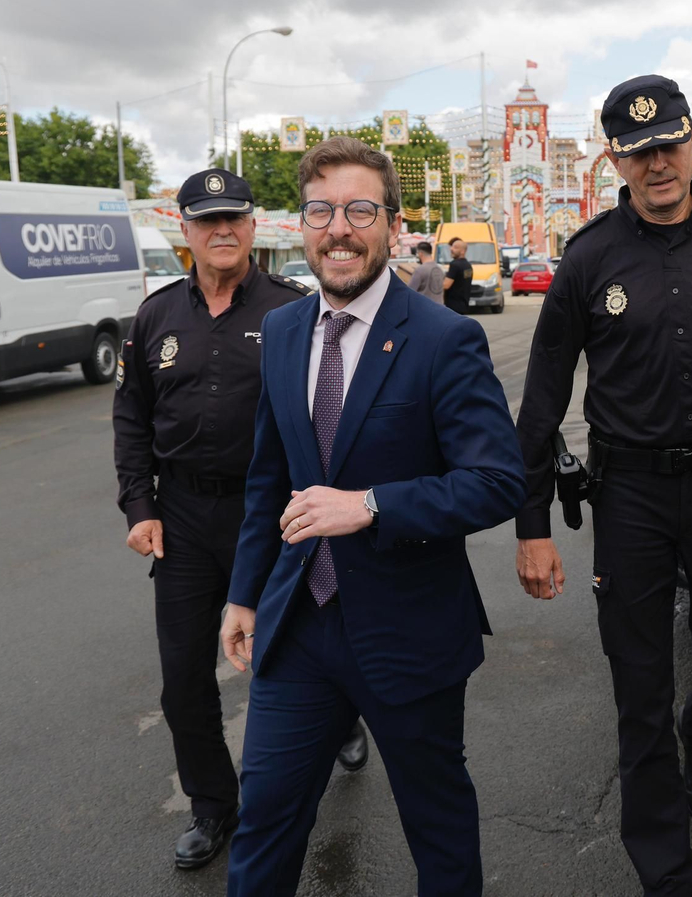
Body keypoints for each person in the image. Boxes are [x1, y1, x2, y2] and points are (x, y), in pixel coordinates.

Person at [514, 74, 692, 897]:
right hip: (631, 497)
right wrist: (530, 522)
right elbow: (542, 398)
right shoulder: (588, 258)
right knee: (639, 694)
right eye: (639, 152)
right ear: (617, 157)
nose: (658, 164)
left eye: (670, 144)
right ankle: (665, 874)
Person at [220, 136, 525, 896]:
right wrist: (244, 592)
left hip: (409, 633)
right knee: (263, 819)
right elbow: (270, 479)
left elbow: (495, 480)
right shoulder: (286, 331)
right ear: (302, 225)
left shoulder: (445, 338)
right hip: (300, 628)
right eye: (320, 210)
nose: (339, 229)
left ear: (392, 224)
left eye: (360, 209)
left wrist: (371, 506)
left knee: (439, 832)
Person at [112, 168, 368, 871]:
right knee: (182, 675)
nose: (222, 231)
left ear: (254, 227)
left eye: (235, 219)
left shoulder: (296, 311)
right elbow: (131, 416)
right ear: (184, 231)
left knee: (294, 654)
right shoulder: (156, 316)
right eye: (206, 221)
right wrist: (139, 505)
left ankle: (340, 718)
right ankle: (212, 806)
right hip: (186, 518)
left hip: (279, 515)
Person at [410, 241, 446, 306]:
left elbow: (410, 291)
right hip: (440, 308)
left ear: (420, 253)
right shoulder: (440, 269)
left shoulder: (420, 270)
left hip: (425, 308)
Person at [442, 237, 473, 314]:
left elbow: (446, 285)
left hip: (453, 306)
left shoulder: (454, 265)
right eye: (451, 246)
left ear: (462, 251)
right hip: (464, 305)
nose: (451, 249)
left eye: (455, 247)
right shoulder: (468, 265)